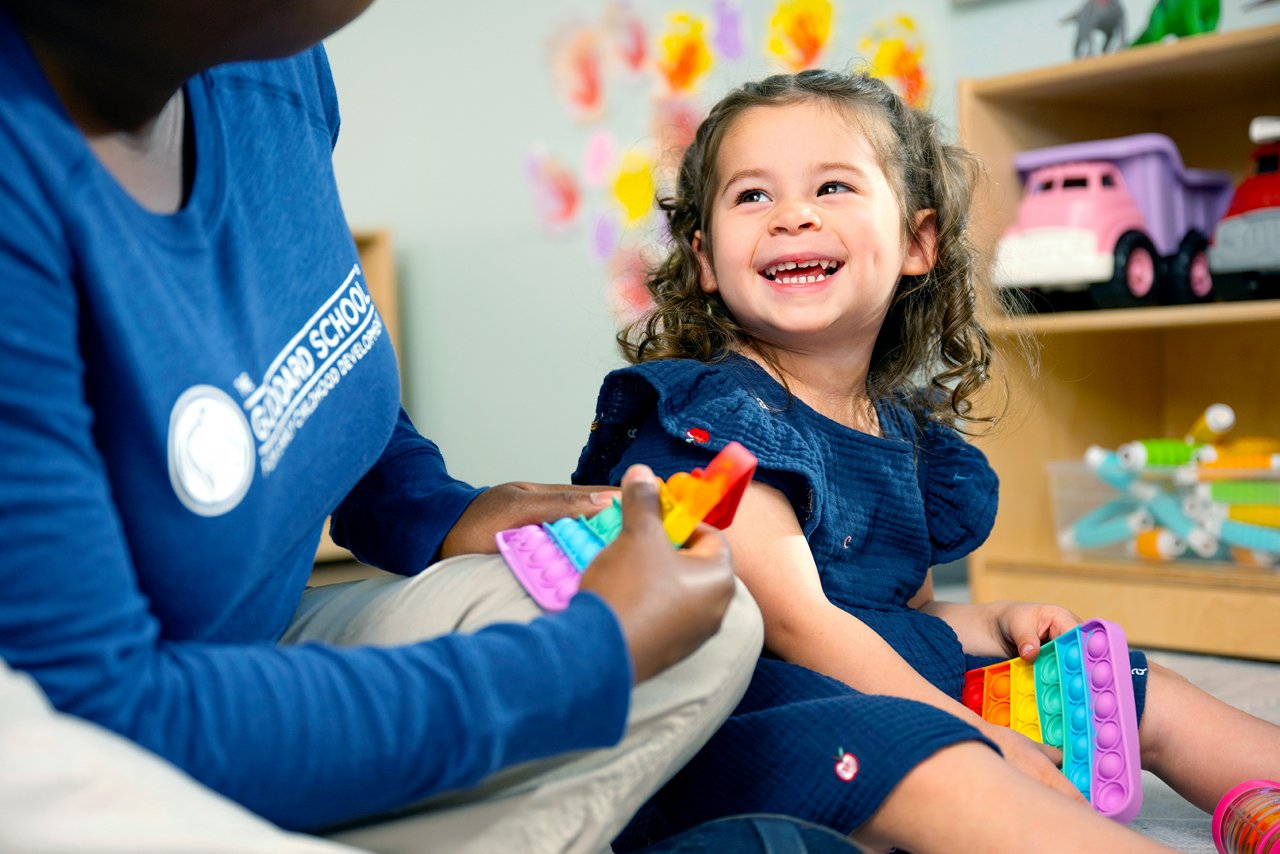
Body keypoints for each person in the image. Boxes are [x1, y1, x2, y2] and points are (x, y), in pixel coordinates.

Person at [0, 1, 768, 851]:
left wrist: (428, 507)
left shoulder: (268, 61)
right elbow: (101, 725)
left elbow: (291, 339)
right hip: (103, 748)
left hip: (253, 651)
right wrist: (592, 655)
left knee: (707, 625)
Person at [574, 68, 1280, 852]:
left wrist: (997, 619)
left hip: (886, 685)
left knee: (1125, 686)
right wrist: (979, 739)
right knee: (959, 772)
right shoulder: (714, 418)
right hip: (759, 721)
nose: (793, 216)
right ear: (705, 260)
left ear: (917, 242)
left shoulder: (899, 432)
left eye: (834, 186)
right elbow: (800, 626)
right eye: (752, 196)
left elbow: (904, 616)